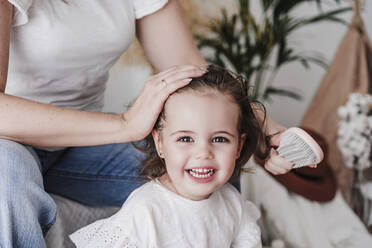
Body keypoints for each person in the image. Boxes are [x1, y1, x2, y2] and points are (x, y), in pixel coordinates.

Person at [0, 0, 291, 247]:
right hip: (8, 137)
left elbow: (189, 68)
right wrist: (126, 124)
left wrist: (260, 124)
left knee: (214, 171)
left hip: (83, 141)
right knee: (7, 183)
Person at [70, 65, 266, 247]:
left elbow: (247, 238)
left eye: (219, 139)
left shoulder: (231, 201)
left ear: (239, 145)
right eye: (186, 139)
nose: (203, 153)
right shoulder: (145, 212)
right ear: (160, 143)